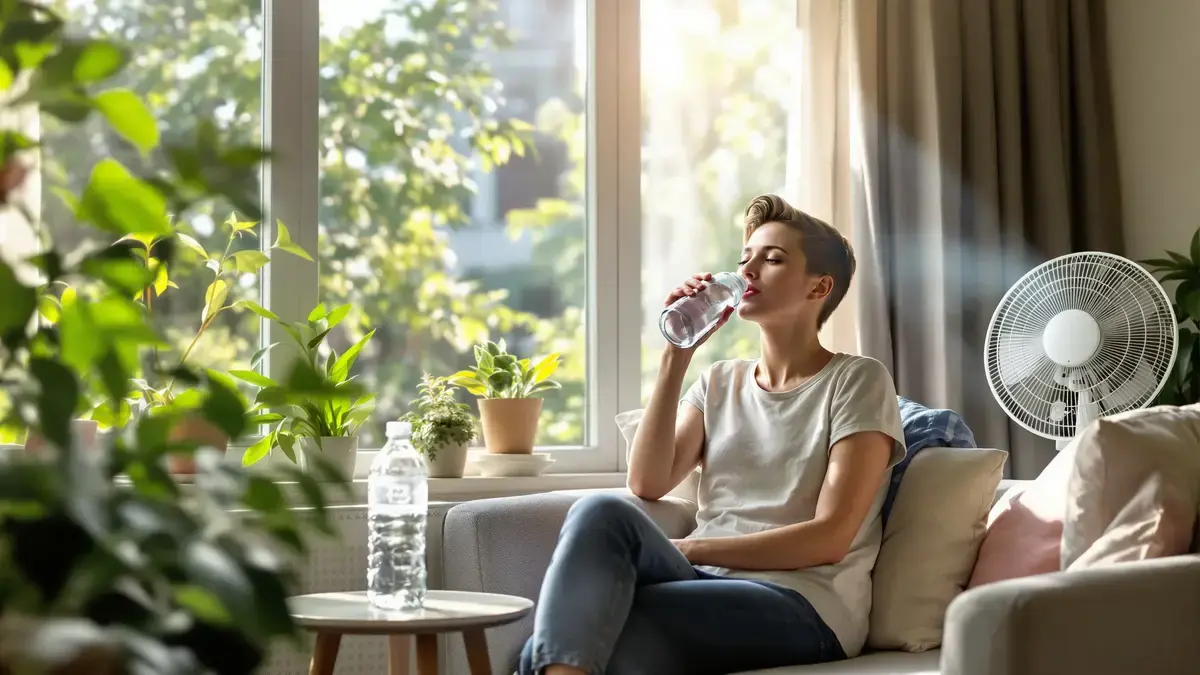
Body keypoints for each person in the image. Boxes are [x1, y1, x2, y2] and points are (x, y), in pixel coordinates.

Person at [517, 194, 907, 675]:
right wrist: (676, 353)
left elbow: (830, 538)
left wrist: (688, 549)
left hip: (804, 603)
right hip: (704, 580)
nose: (748, 271)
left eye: (773, 259)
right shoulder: (720, 381)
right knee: (598, 512)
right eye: (745, 259)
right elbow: (647, 482)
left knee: (570, 638)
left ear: (819, 286)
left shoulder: (857, 380)